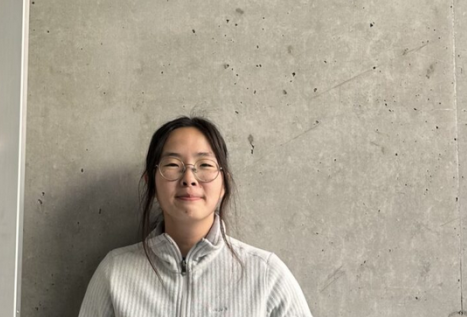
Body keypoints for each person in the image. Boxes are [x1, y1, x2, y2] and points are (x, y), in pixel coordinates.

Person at [79, 117, 313, 316]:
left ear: (224, 184)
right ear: (151, 182)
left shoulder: (266, 275)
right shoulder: (114, 273)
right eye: (173, 164)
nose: (189, 178)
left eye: (205, 165)